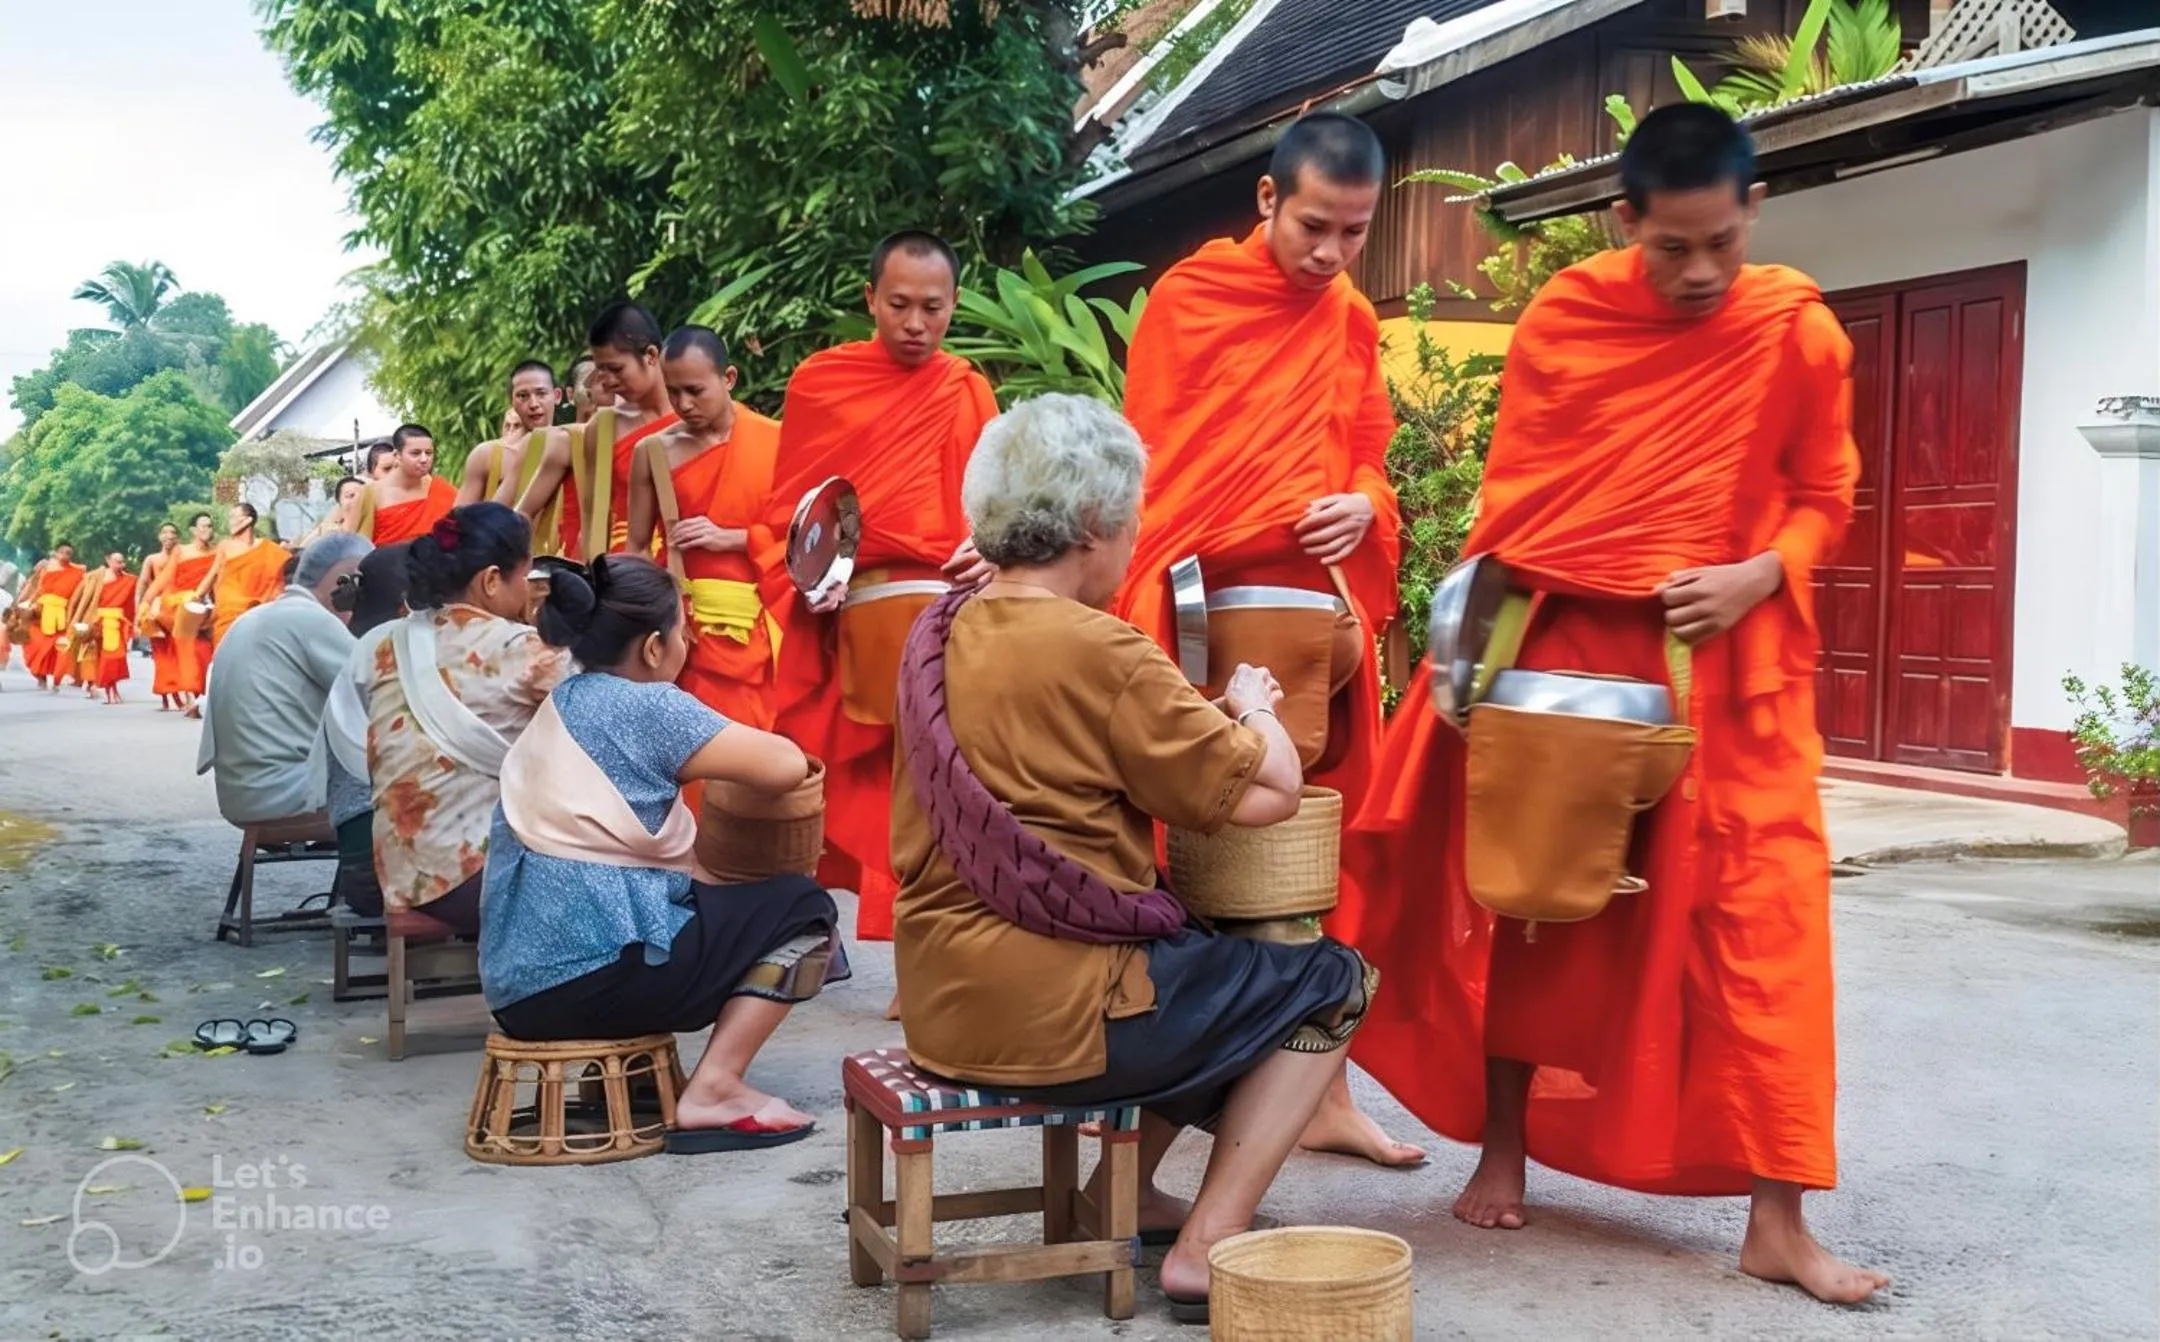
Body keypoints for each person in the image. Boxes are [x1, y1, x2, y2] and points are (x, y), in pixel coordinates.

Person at [1345, 104, 1882, 1303]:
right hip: (1577, 653)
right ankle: (1503, 1142)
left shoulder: (1794, 329)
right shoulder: (1568, 318)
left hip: (1734, 668)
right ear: (1626, 220)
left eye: (1718, 247)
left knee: (1766, 932)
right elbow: (1524, 504)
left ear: (1752, 212)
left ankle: (1778, 1216)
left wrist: (1757, 571)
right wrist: (1595, 577)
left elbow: (1823, 495)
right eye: (1671, 247)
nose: (1697, 274)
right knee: (1544, 906)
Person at [893, 396, 1375, 1320]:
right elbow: (1271, 791)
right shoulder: (1105, 649)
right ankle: (1206, 1246)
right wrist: (1255, 702)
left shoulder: (935, 632)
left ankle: (1126, 1195)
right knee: (1328, 981)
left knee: (1198, 962)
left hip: (941, 1005)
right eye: (1131, 525)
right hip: (1058, 1019)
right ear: (1090, 524)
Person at [1111, 114, 1418, 1168]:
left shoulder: (1352, 319)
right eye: (1315, 227)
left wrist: (1360, 505)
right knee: (1209, 870)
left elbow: (1371, 460)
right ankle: (1173, 1122)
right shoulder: (1193, 301)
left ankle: (1321, 1095)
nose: (1331, 254)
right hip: (1205, 616)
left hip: (1318, 623)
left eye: (1355, 232)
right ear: (1266, 202)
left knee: (1316, 865)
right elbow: (1153, 468)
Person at [482, 554, 848, 1150]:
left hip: (517, 993)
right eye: (683, 629)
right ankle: (717, 1087)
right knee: (802, 907)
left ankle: (686, 1082)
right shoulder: (647, 704)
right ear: (654, 647)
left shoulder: (564, 702)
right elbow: (784, 765)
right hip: (593, 986)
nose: (690, 641)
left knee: (692, 906)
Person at [761, 231, 997, 944]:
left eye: (934, 308)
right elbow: (790, 514)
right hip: (859, 614)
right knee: (871, 781)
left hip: (952, 609)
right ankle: (888, 930)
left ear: (955, 304)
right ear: (871, 299)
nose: (917, 324)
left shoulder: (967, 389)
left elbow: (995, 507)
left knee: (948, 778)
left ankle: (933, 935)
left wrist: (990, 552)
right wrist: (809, 582)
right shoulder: (822, 383)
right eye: (899, 305)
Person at [365, 503, 569, 933]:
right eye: (525, 576)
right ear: (492, 580)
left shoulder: (393, 642)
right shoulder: (520, 648)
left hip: (399, 866)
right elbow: (601, 715)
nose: (530, 589)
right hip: (470, 875)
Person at [626, 326, 781, 731]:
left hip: (770, 624)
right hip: (690, 632)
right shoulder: (654, 452)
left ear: (728, 378)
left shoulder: (778, 440)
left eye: (695, 390)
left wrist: (734, 538)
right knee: (698, 750)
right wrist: (663, 613)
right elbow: (637, 548)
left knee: (771, 755)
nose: (683, 404)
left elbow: (810, 537)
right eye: (673, 392)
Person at [195, 534, 371, 827]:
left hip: (243, 794)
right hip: (285, 794)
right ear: (344, 577)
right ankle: (365, 873)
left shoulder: (256, 617)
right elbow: (378, 694)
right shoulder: (311, 619)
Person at [510, 304, 677, 559]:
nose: (606, 380)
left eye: (616, 369)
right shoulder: (604, 427)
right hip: (620, 574)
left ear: (651, 356)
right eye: (601, 370)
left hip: (693, 571)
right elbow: (590, 521)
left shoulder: (697, 417)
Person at [321, 543, 412, 918]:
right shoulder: (404, 649)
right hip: (393, 878)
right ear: (409, 604)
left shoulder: (358, 646)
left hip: (357, 870)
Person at [136, 513, 218, 709]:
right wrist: (144, 605)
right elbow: (163, 579)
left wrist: (218, 608)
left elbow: (216, 585)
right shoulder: (181, 551)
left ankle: (195, 694)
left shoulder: (216, 553)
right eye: (203, 526)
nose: (208, 530)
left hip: (202, 607)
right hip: (176, 606)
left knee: (203, 651)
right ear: (193, 530)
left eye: (210, 526)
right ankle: (191, 700)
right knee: (187, 649)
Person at [459, 361, 559, 506]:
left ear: (556, 396)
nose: (533, 404)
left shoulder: (574, 449)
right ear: (512, 400)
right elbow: (458, 520)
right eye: (523, 396)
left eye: (541, 393)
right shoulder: (487, 455)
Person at [203, 503, 292, 648]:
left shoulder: (269, 549)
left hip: (258, 611)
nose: (230, 521)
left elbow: (277, 584)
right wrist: (195, 597)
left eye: (233, 517)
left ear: (248, 520)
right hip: (228, 612)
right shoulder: (225, 546)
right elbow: (212, 575)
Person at [354, 424, 458, 544]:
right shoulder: (370, 493)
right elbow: (360, 547)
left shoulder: (441, 487)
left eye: (429, 453)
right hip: (388, 561)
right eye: (415, 453)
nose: (424, 459)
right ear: (397, 455)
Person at [22, 544, 86, 692]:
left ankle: (57, 679)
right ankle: (41, 677)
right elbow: (35, 588)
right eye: (62, 552)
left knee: (62, 648)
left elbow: (78, 594)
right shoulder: (45, 568)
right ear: (55, 553)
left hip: (63, 616)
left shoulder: (77, 572)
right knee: (36, 645)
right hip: (41, 613)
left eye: (69, 553)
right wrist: (25, 603)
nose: (65, 555)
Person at [79, 553, 136, 705]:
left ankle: (112, 690)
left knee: (114, 656)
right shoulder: (97, 578)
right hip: (99, 621)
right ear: (108, 560)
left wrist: (131, 624)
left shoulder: (129, 580)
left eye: (122, 562)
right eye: (117, 561)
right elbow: (86, 600)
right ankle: (106, 690)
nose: (121, 565)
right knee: (101, 656)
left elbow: (130, 606)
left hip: (117, 622)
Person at [138, 523, 184, 709]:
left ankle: (177, 693)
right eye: (164, 532)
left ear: (177, 538)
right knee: (161, 654)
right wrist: (139, 609)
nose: (168, 536)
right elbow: (142, 584)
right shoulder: (152, 559)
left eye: (172, 532)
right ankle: (167, 696)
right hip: (157, 608)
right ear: (159, 537)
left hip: (177, 606)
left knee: (177, 652)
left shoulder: (183, 557)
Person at [303, 477, 367, 544]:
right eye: (350, 495)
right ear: (339, 503)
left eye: (362, 497)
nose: (357, 501)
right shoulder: (328, 531)